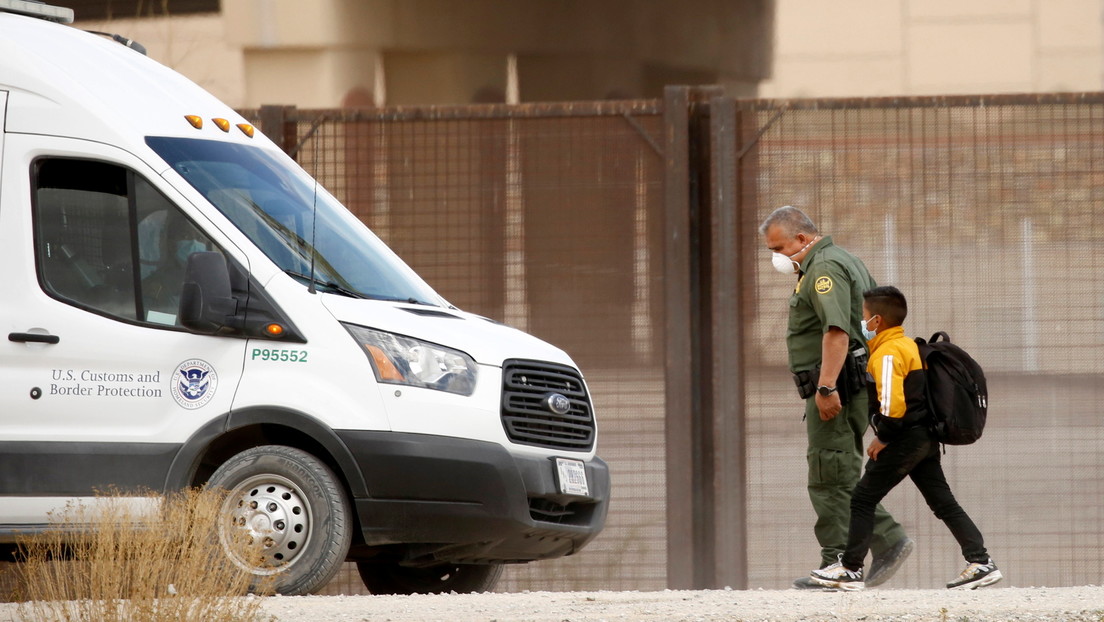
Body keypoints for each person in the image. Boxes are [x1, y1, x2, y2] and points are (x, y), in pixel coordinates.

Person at [759, 206, 913, 589]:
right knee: (835, 472)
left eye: (779, 247)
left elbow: (837, 333)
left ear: (801, 238)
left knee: (831, 475)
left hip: (838, 387)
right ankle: (837, 561)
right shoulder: (845, 260)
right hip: (854, 382)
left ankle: (884, 540)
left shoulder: (823, 269)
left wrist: (826, 387)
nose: (776, 257)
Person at [809, 286, 1002, 591]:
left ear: (877, 321)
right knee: (943, 501)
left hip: (904, 438)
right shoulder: (908, 346)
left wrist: (883, 437)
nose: (862, 322)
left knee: (862, 499)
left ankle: (850, 569)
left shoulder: (887, 353)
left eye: (863, 316)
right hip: (924, 436)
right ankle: (980, 561)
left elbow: (893, 406)